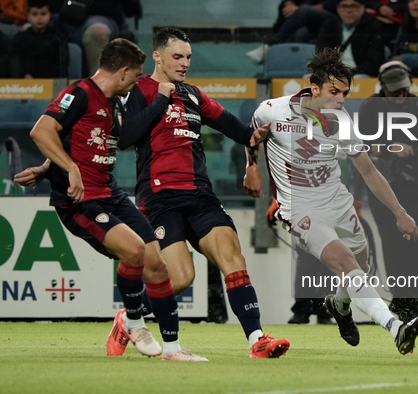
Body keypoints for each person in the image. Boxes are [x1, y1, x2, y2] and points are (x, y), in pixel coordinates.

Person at [13, 38, 206, 362]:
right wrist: (66, 168)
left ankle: (170, 348)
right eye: (135, 75)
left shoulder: (116, 102)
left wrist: (48, 167)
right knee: (133, 251)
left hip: (110, 192)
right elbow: (42, 131)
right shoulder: (78, 94)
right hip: (80, 201)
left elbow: (79, 141)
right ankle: (136, 325)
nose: (136, 81)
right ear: (122, 71)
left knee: (157, 265)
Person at [116, 27, 290, 359]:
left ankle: (257, 339)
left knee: (233, 259)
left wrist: (256, 147)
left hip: (200, 195)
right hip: (159, 197)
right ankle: (130, 317)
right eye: (177, 57)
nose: (184, 63)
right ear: (157, 55)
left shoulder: (194, 94)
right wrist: (162, 100)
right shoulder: (139, 89)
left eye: (188, 57)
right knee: (179, 278)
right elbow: (125, 138)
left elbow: (240, 132)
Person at [244, 47, 418, 355]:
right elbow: (251, 140)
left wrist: (399, 212)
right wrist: (251, 168)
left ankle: (339, 305)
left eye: (345, 92)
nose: (341, 99)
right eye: (334, 91)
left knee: (362, 265)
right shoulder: (270, 110)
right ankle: (396, 328)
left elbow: (369, 171)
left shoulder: (341, 120)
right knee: (346, 263)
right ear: (314, 88)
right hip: (300, 209)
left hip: (337, 202)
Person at [354, 60, 418, 322]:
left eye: (404, 90)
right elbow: (360, 148)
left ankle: (408, 299)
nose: (400, 95)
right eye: (394, 90)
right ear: (382, 86)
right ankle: (403, 302)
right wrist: (392, 146)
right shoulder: (370, 108)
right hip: (383, 187)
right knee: (394, 243)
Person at [50, 0, 139, 76]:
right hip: (59, 15)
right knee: (40, 20)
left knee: (98, 33)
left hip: (99, 16)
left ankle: (96, 87)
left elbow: (128, 8)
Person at [317, 0, 384, 77]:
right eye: (344, 6)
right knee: (310, 77)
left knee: (358, 78)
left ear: (362, 8)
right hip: (332, 73)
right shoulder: (330, 26)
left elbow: (374, 62)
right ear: (338, 9)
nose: (349, 10)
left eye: (353, 6)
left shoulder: (373, 27)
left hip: (360, 73)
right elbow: (321, 55)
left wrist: (349, 73)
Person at [11, 0, 68, 78]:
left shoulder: (57, 38)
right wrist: (24, 75)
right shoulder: (20, 38)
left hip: (49, 82)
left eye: (43, 14)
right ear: (28, 16)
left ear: (49, 15)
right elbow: (14, 62)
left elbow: (60, 67)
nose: (39, 18)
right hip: (23, 84)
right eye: (35, 14)